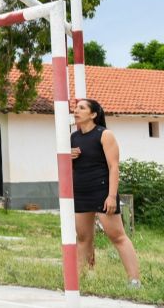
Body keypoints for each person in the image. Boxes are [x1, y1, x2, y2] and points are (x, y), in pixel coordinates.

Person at [71, 98, 141, 287]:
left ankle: (134, 281)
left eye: (81, 108)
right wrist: (69, 157)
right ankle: (82, 279)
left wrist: (111, 196)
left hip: (102, 191)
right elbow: (71, 167)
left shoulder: (105, 135)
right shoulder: (73, 138)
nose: (76, 110)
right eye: (76, 107)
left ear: (93, 114)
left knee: (117, 236)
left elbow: (114, 167)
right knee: (83, 238)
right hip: (81, 192)